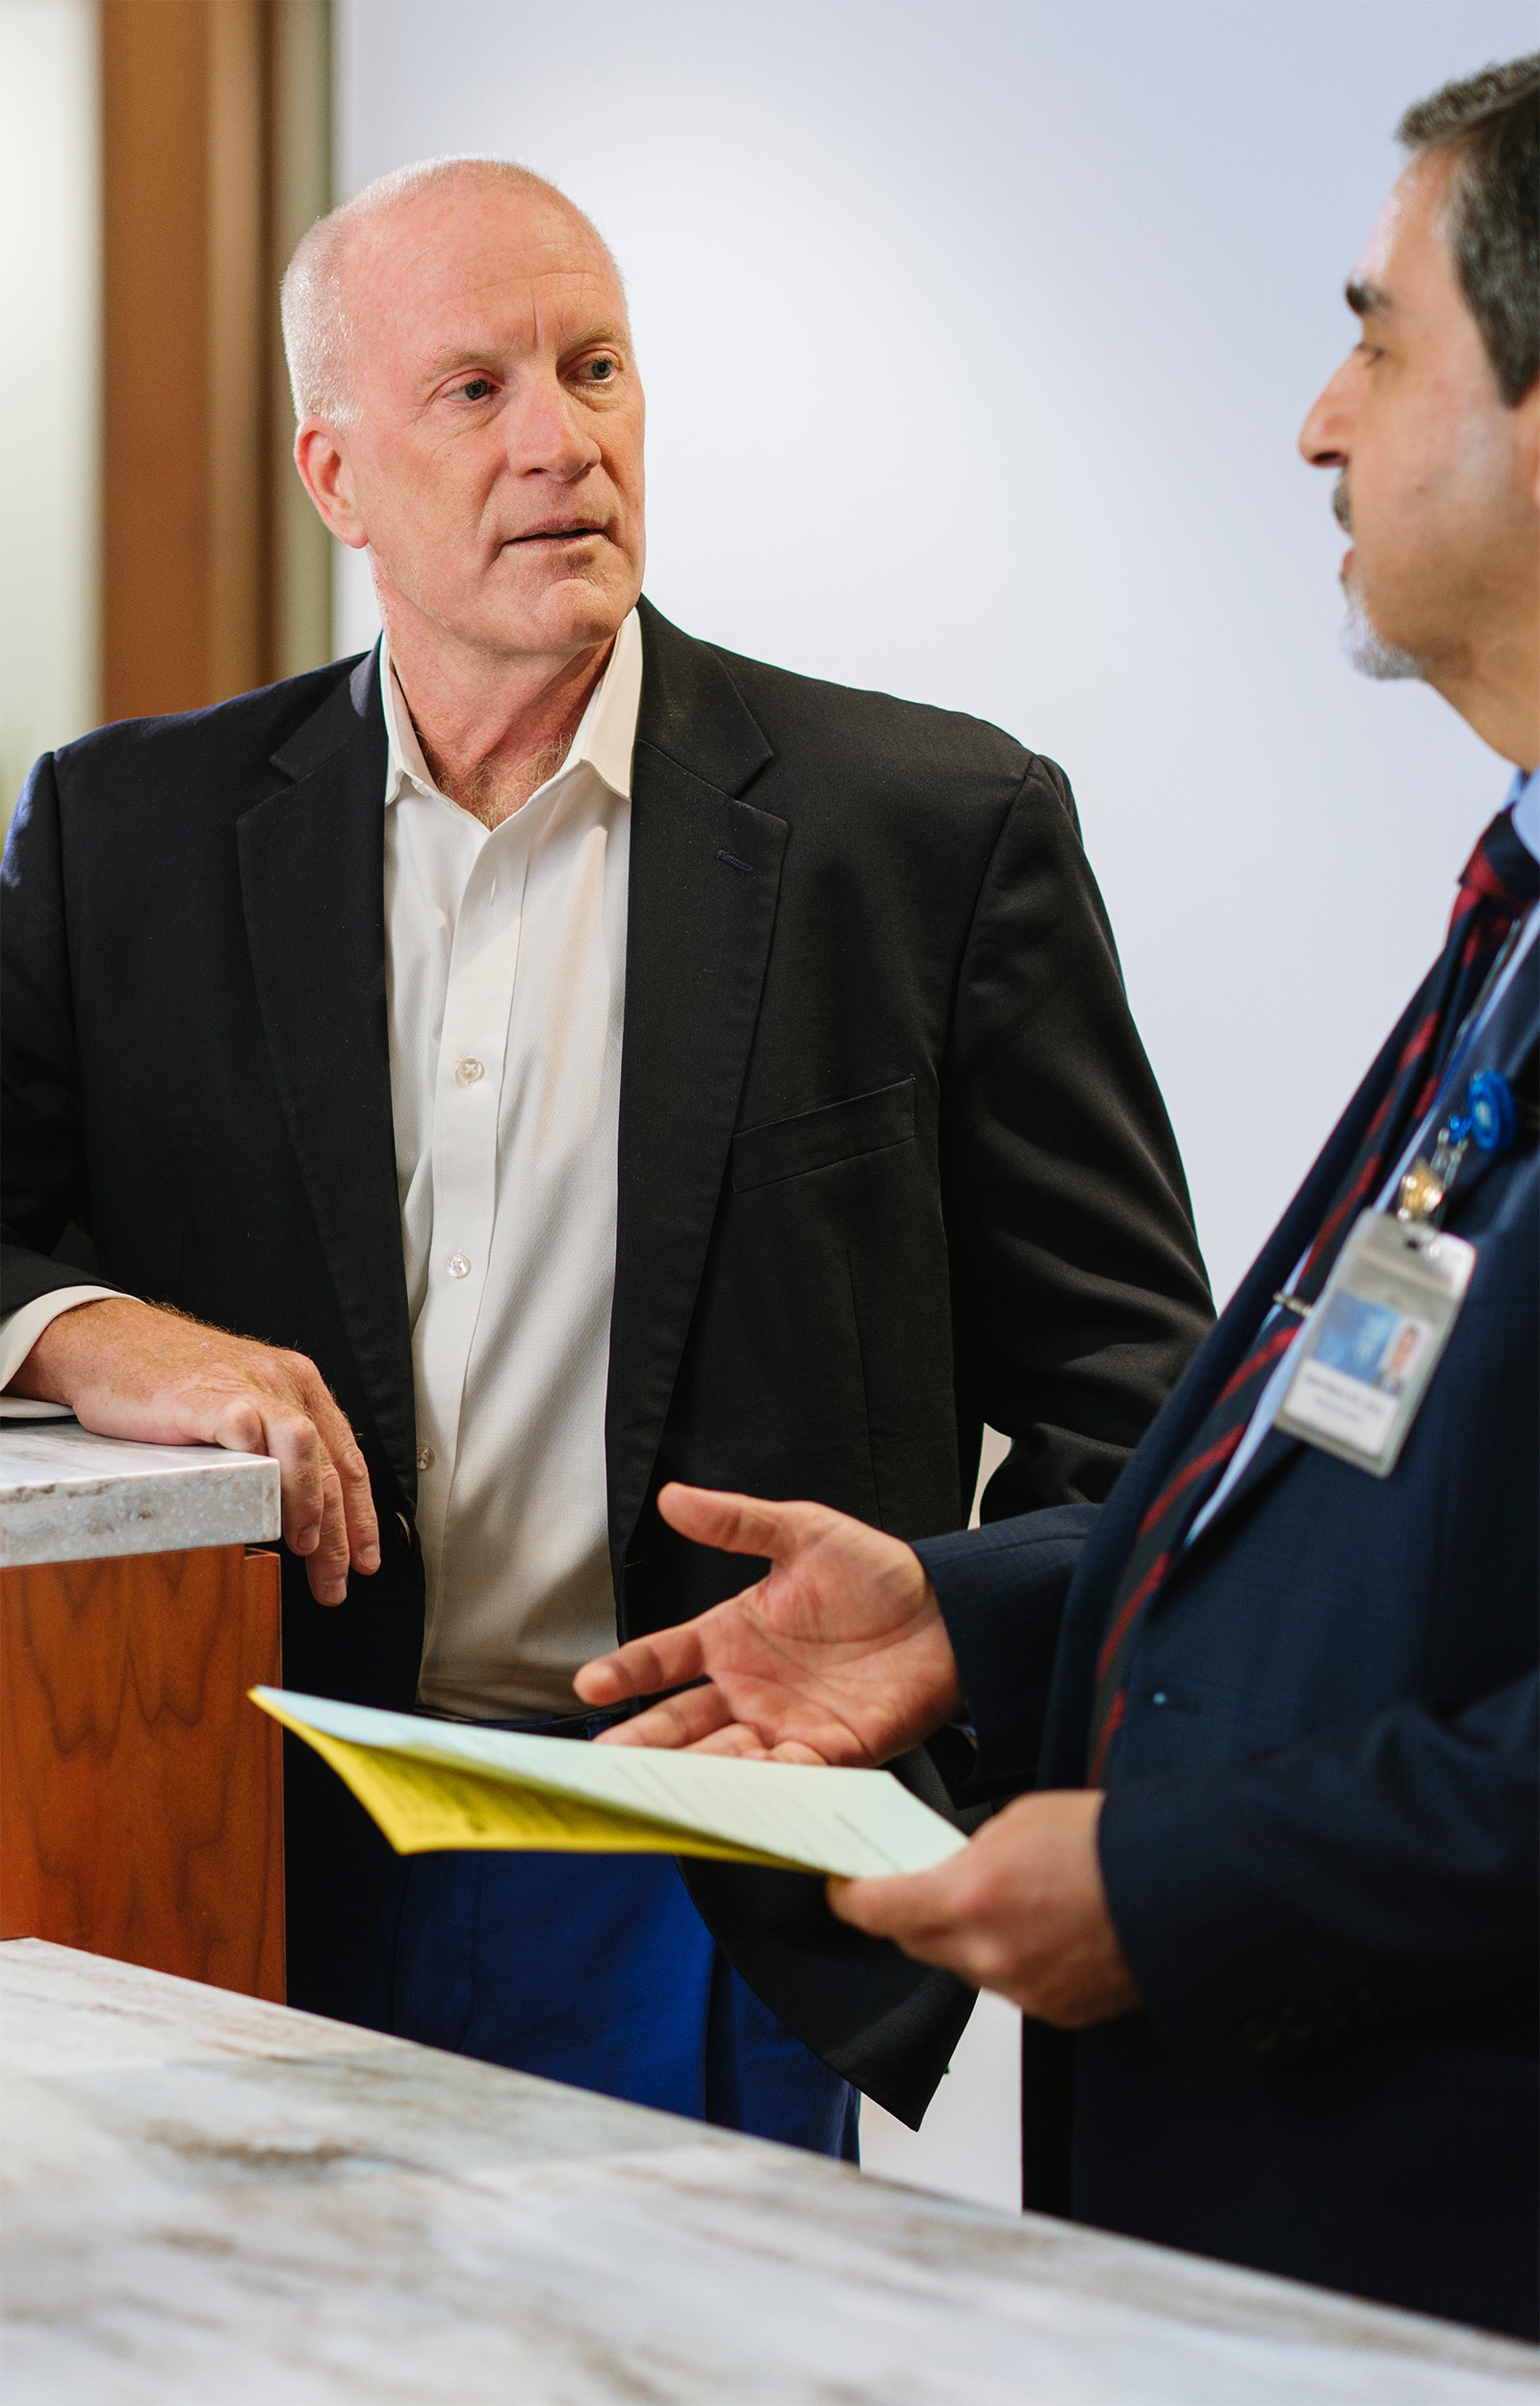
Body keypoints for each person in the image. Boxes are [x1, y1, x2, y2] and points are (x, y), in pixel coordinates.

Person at [0, 160, 1212, 2154]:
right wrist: (84, 1329)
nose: (560, 439)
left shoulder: (928, 828)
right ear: (336, 472)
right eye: (472, 390)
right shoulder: (125, 828)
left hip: (700, 1873)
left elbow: (1140, 1416)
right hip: (238, 1831)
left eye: (593, 367)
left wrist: (934, 1680)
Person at [577, 55, 1540, 2333]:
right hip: (1269, 2224)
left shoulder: (937, 818)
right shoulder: (1507, 908)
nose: (1314, 418)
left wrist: (1181, 1886)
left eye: (1375, 335)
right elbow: (1337, 1494)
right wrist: (965, 1616)